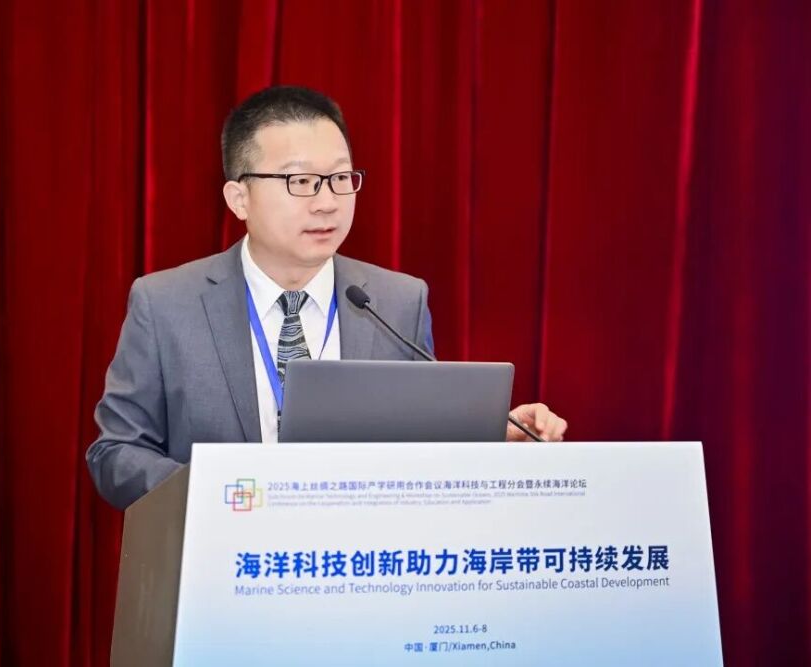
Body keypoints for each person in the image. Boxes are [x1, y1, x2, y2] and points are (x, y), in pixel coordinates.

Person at [86, 86, 568, 510]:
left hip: (352, 567)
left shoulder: (396, 302)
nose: (327, 202)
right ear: (239, 198)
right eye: (300, 182)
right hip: (219, 567)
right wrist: (224, 496)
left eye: (340, 178)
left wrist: (490, 433)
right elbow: (116, 453)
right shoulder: (166, 304)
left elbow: (422, 443)